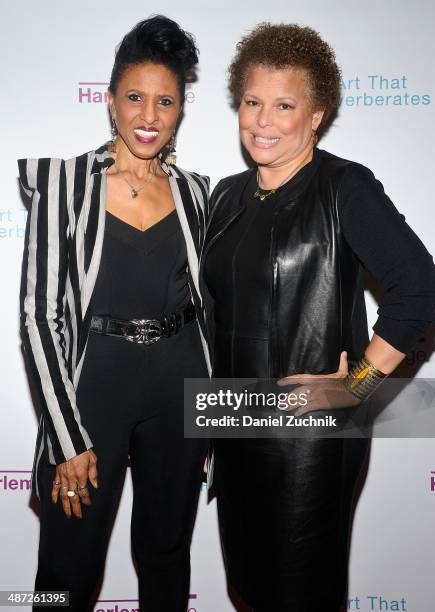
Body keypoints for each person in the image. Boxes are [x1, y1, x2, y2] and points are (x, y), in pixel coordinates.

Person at [200, 22, 435, 612]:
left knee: (301, 591)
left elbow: (419, 288)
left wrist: (356, 387)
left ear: (316, 114)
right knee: (249, 586)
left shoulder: (343, 186)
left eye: (284, 105)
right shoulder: (225, 197)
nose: (263, 120)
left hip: (309, 439)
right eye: (252, 102)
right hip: (234, 427)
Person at [18, 15, 211, 612]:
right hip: (93, 388)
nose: (148, 116)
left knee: (165, 557)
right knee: (65, 568)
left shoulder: (198, 193)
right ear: (109, 102)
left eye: (165, 101)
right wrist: (67, 437)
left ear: (180, 110)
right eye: (134, 98)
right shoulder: (66, 184)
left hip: (180, 387)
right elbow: (39, 316)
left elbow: (215, 310)